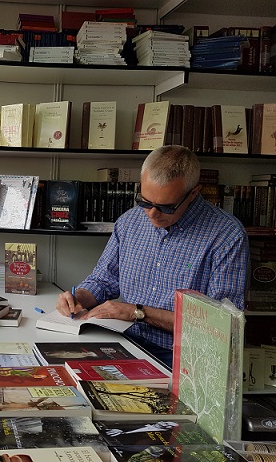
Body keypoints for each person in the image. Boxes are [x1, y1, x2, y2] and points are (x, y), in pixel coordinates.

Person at [56, 145, 248, 368]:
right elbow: (103, 280)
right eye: (145, 202)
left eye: (165, 207)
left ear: (194, 193)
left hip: (185, 358)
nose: (151, 214)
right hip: (121, 342)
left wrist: (138, 313)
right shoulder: (130, 221)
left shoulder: (227, 236)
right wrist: (77, 297)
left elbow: (221, 325)